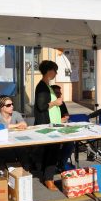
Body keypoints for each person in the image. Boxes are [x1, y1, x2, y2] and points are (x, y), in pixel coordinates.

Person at [34, 60, 63, 191]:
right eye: (55, 70)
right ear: (49, 71)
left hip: (53, 125)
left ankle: (46, 176)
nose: (56, 73)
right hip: (48, 125)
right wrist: (55, 102)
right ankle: (49, 179)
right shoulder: (42, 87)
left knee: (51, 151)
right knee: (52, 152)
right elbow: (41, 106)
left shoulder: (46, 85)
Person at [0, 95, 28, 166]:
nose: (12, 106)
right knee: (8, 153)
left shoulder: (16, 114)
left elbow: (24, 124)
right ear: (1, 107)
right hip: (2, 143)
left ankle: (23, 173)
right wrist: (17, 125)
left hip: (15, 141)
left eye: (12, 104)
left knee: (23, 152)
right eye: (8, 105)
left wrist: (21, 125)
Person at [51, 85, 74, 171]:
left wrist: (60, 120)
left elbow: (66, 116)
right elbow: (49, 121)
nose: (59, 94)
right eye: (57, 93)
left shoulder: (62, 103)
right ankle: (54, 163)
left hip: (61, 127)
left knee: (71, 142)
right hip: (51, 129)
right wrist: (60, 120)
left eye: (60, 93)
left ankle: (62, 163)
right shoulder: (49, 104)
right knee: (55, 144)